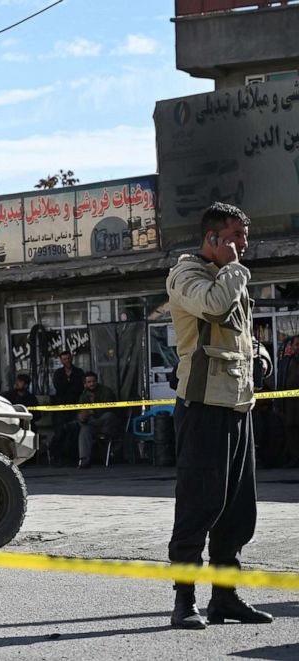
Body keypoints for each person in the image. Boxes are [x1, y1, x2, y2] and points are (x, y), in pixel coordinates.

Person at [166, 202, 273, 629]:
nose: (243, 246)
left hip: (238, 405)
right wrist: (233, 269)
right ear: (212, 238)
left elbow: (238, 332)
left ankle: (225, 597)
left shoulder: (230, 279)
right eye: (235, 237)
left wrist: (259, 354)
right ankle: (184, 600)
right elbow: (211, 308)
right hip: (203, 408)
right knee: (198, 506)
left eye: (244, 238)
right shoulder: (186, 276)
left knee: (237, 510)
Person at [74, 372, 121, 468]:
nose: (92, 384)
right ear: (85, 384)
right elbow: (80, 410)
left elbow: (109, 408)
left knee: (108, 415)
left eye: (93, 381)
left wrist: (91, 412)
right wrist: (81, 416)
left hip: (107, 425)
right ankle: (84, 460)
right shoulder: (83, 395)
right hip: (93, 426)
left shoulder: (106, 391)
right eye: (89, 382)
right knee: (84, 429)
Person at [48, 350, 85, 465]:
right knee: (59, 432)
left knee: (74, 431)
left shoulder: (79, 372)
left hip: (75, 405)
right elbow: (59, 387)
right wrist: (69, 387)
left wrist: (69, 388)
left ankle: (72, 458)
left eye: (68, 358)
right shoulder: (58, 373)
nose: (67, 361)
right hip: (61, 407)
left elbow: (79, 387)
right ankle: (57, 458)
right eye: (64, 359)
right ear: (61, 360)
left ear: (71, 358)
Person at [276, 335, 299, 467]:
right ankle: (295, 458)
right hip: (289, 406)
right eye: (296, 345)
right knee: (291, 432)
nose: (298, 348)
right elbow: (281, 381)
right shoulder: (287, 362)